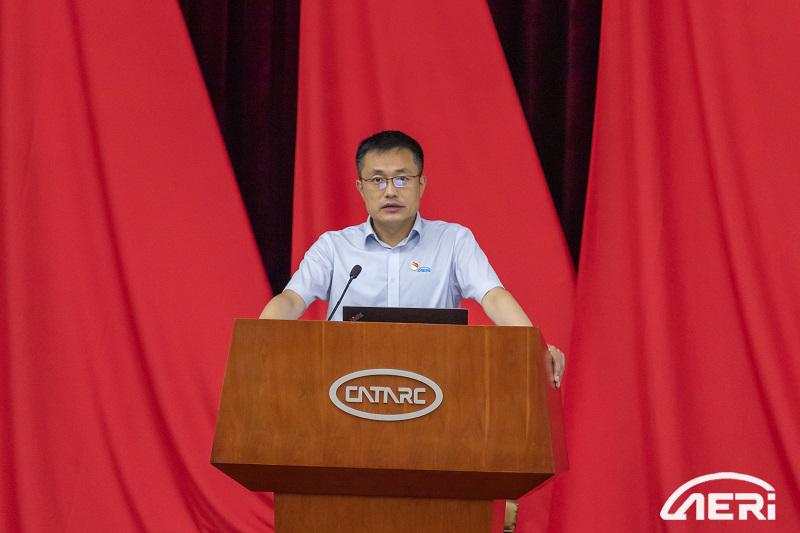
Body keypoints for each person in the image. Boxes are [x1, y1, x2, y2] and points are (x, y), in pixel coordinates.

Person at [259, 130, 565, 386]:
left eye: (402, 179)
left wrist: (534, 348)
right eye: (377, 180)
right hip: (348, 385)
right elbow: (292, 299)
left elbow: (493, 296)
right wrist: (258, 340)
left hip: (436, 387)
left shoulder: (452, 241)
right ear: (360, 188)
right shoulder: (334, 247)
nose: (390, 191)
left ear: (422, 184)